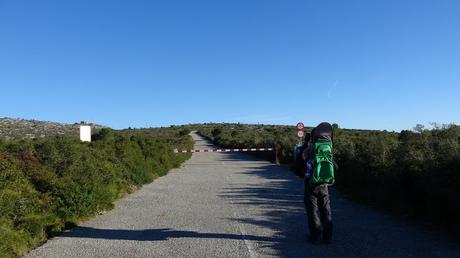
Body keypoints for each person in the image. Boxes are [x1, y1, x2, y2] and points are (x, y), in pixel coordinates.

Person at [302, 123, 336, 244]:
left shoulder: (311, 147)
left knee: (312, 209)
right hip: (325, 183)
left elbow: (303, 157)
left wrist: (307, 146)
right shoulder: (329, 147)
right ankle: (328, 236)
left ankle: (315, 235)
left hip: (311, 181)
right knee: (325, 208)